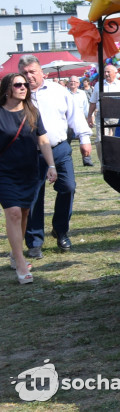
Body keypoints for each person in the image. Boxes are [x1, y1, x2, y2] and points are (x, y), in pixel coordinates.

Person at [18, 56, 91, 258]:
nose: (29, 76)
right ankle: (34, 241)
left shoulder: (58, 91)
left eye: (32, 71)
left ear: (42, 72)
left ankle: (61, 230)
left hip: (58, 148)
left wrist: (84, 138)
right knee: (33, 197)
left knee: (68, 187)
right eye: (24, 73)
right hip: (30, 154)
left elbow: (74, 115)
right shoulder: (17, 94)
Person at [0, 73, 58, 283]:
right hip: (4, 172)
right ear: (7, 89)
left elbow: (43, 140)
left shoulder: (32, 112)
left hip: (29, 171)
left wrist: (51, 165)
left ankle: (15, 254)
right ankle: (21, 262)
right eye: (18, 84)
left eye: (25, 84)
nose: (23, 87)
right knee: (14, 212)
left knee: (24, 212)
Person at [88, 63, 120, 136]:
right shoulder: (98, 85)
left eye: (108, 72)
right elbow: (93, 102)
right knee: (101, 140)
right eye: (104, 72)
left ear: (115, 73)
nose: (106, 74)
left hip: (117, 116)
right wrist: (89, 116)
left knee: (117, 139)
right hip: (102, 116)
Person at [66, 75, 93, 166]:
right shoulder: (64, 93)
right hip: (67, 122)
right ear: (68, 83)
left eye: (75, 82)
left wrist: (89, 118)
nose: (73, 83)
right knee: (66, 143)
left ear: (78, 84)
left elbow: (86, 108)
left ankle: (87, 160)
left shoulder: (82, 93)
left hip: (80, 121)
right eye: (71, 81)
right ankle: (65, 160)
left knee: (85, 141)